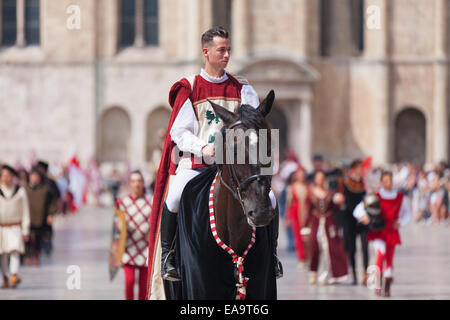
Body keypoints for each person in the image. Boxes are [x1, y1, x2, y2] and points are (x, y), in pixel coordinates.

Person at [147, 26, 280, 299]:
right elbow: (179, 132)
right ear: (206, 52)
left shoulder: (242, 88)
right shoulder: (191, 86)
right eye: (222, 50)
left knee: (273, 199)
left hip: (234, 165)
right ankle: (170, 257)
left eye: (229, 49)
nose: (227, 55)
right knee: (174, 197)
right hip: (197, 162)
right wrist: (204, 147)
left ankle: (272, 255)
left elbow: (254, 124)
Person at [353, 170, 411, 297]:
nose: (388, 183)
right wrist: (364, 217)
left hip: (392, 232)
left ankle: (387, 285)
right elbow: (358, 209)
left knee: (389, 258)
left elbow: (407, 214)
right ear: (381, 182)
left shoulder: (400, 197)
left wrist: (401, 222)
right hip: (378, 232)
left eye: (390, 181)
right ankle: (377, 283)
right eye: (385, 181)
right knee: (380, 254)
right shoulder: (376, 196)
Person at [305, 170, 348, 285]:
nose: (320, 180)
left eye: (322, 178)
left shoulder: (330, 192)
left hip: (329, 223)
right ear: (315, 179)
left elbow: (335, 209)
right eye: (318, 178)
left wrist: (339, 202)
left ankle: (326, 274)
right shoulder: (311, 192)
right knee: (314, 248)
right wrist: (305, 227)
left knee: (330, 249)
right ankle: (313, 273)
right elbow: (308, 210)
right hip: (316, 222)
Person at [115, 170, 151, 300]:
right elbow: (117, 228)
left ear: (143, 183)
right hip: (128, 248)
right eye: (134, 181)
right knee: (129, 283)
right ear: (129, 184)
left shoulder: (151, 201)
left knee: (143, 286)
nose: (137, 184)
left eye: (139, 181)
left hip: (145, 250)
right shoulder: (122, 202)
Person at [0, 165, 30, 288]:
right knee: (3, 254)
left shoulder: (20, 191)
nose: (5, 178)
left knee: (15, 251)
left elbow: (25, 212)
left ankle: (14, 275)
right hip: (1, 228)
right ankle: (6, 276)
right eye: (3, 175)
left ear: (13, 177)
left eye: (7, 175)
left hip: (15, 227)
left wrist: (25, 229)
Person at [341, 159, 369, 285]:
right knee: (352, 248)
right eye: (358, 168)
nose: (360, 170)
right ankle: (354, 274)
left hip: (363, 220)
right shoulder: (346, 183)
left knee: (365, 247)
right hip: (350, 219)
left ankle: (365, 274)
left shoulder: (365, 184)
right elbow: (346, 202)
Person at [24, 168, 58, 266]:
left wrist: (51, 214)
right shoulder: (23, 189)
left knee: (38, 240)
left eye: (36, 176)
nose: (34, 178)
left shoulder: (46, 190)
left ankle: (36, 256)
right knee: (27, 239)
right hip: (27, 218)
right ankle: (27, 255)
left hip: (40, 218)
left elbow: (52, 203)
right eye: (33, 176)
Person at [285, 168, 309, 267]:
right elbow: (288, 203)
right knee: (298, 236)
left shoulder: (308, 187)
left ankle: (308, 256)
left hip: (306, 212)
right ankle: (301, 258)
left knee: (307, 235)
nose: (301, 177)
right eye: (299, 175)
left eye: (303, 175)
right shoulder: (291, 188)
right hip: (296, 212)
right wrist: (287, 217)